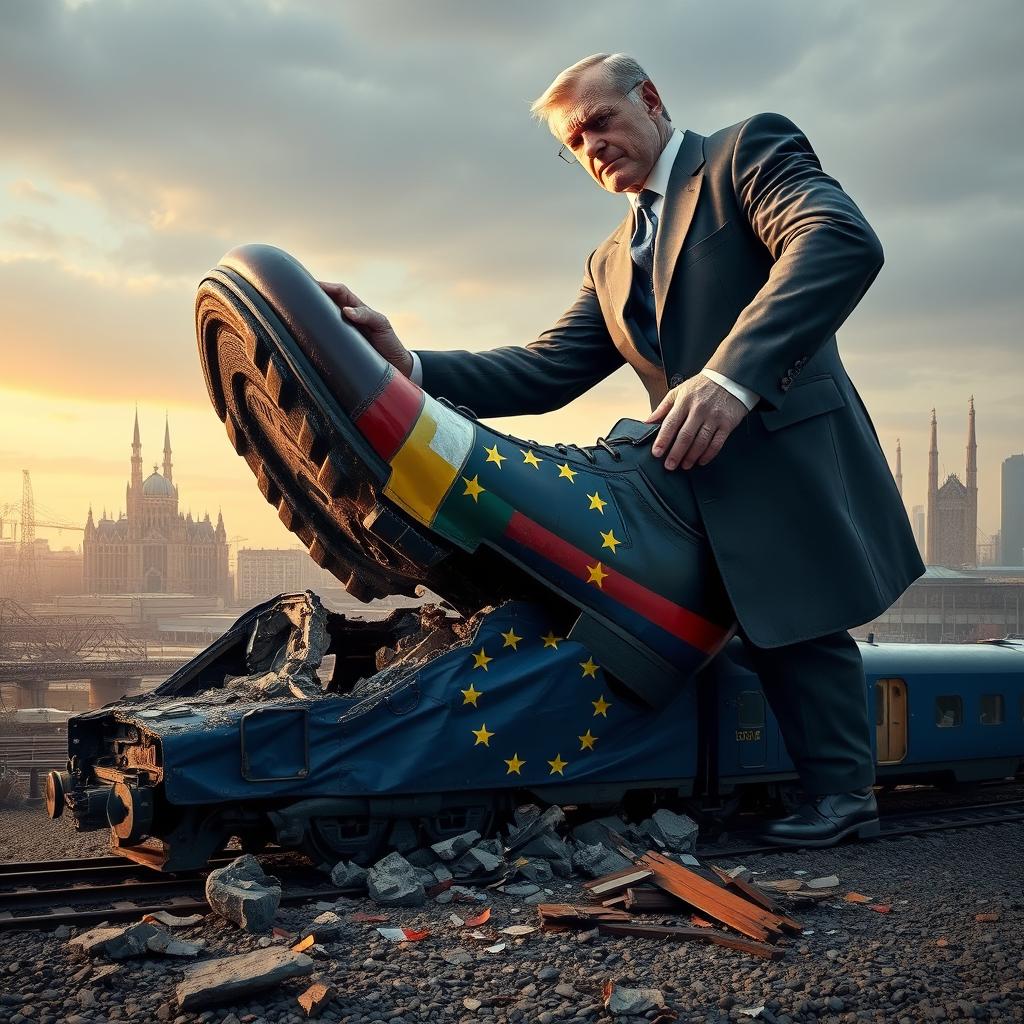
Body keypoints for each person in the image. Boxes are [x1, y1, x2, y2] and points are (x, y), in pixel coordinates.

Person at [320, 53, 925, 845]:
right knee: (740, 642)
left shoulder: (745, 153)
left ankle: (846, 804)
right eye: (575, 142)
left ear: (650, 100)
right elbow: (544, 369)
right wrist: (409, 366)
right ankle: (764, 790)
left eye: (601, 121)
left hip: (783, 462)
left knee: (802, 632)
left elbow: (837, 239)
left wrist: (731, 378)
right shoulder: (610, 259)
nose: (593, 146)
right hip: (690, 486)